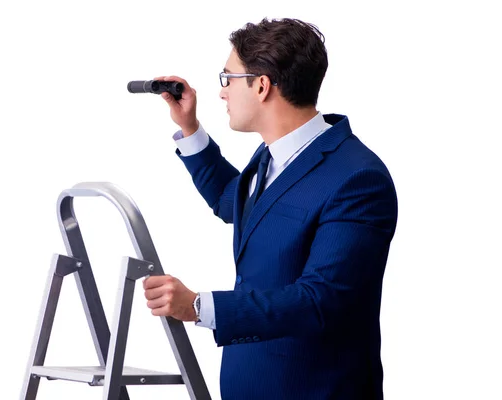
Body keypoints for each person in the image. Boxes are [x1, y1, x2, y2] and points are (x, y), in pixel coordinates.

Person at [142, 17, 398, 400]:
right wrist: (190, 129)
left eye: (227, 78)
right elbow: (235, 203)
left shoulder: (358, 179)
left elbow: (320, 300)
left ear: (261, 86)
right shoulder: (272, 156)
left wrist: (198, 306)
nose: (222, 92)